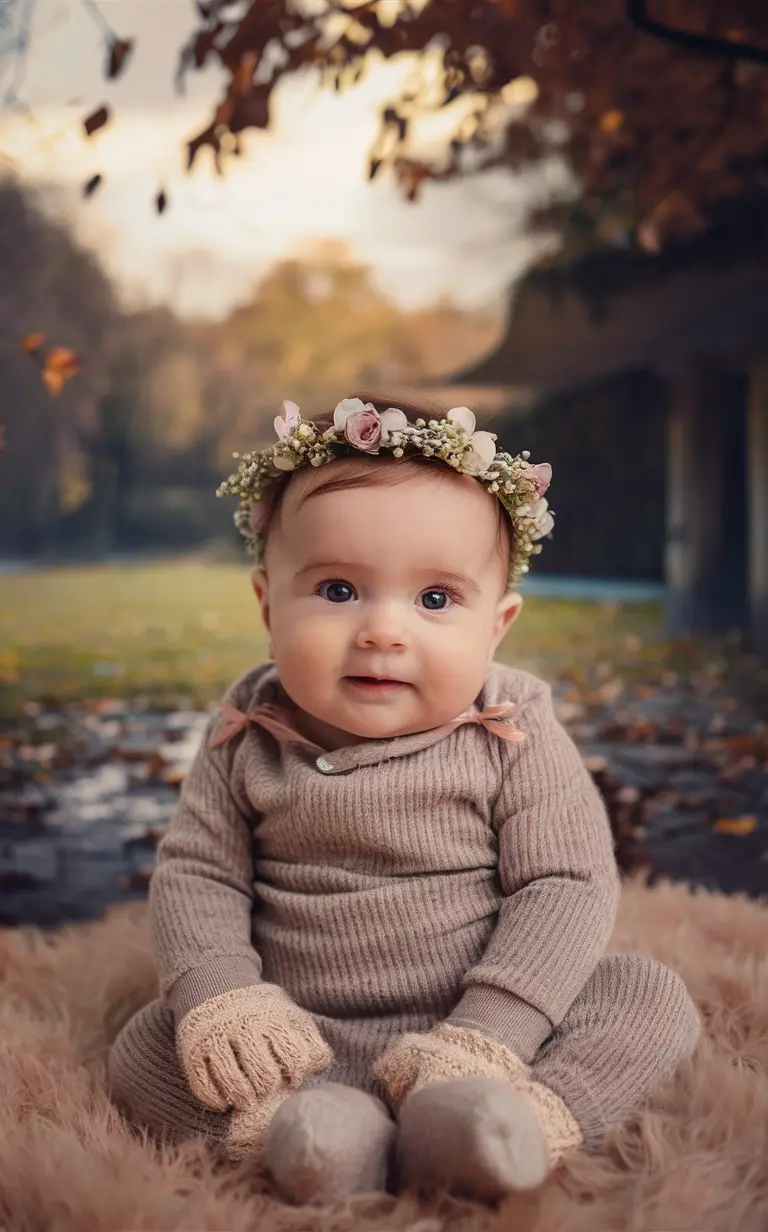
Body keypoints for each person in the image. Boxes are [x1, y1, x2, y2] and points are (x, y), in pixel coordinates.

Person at [108, 394, 700, 1205]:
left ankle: (508, 1122)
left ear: (498, 625)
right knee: (146, 1042)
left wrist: (490, 1035)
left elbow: (565, 886)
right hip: (294, 1038)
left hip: (483, 1033)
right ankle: (306, 1133)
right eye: (340, 590)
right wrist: (222, 999)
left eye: (434, 600)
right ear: (267, 603)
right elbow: (197, 875)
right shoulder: (247, 731)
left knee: (647, 997)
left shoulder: (510, 733)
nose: (385, 631)